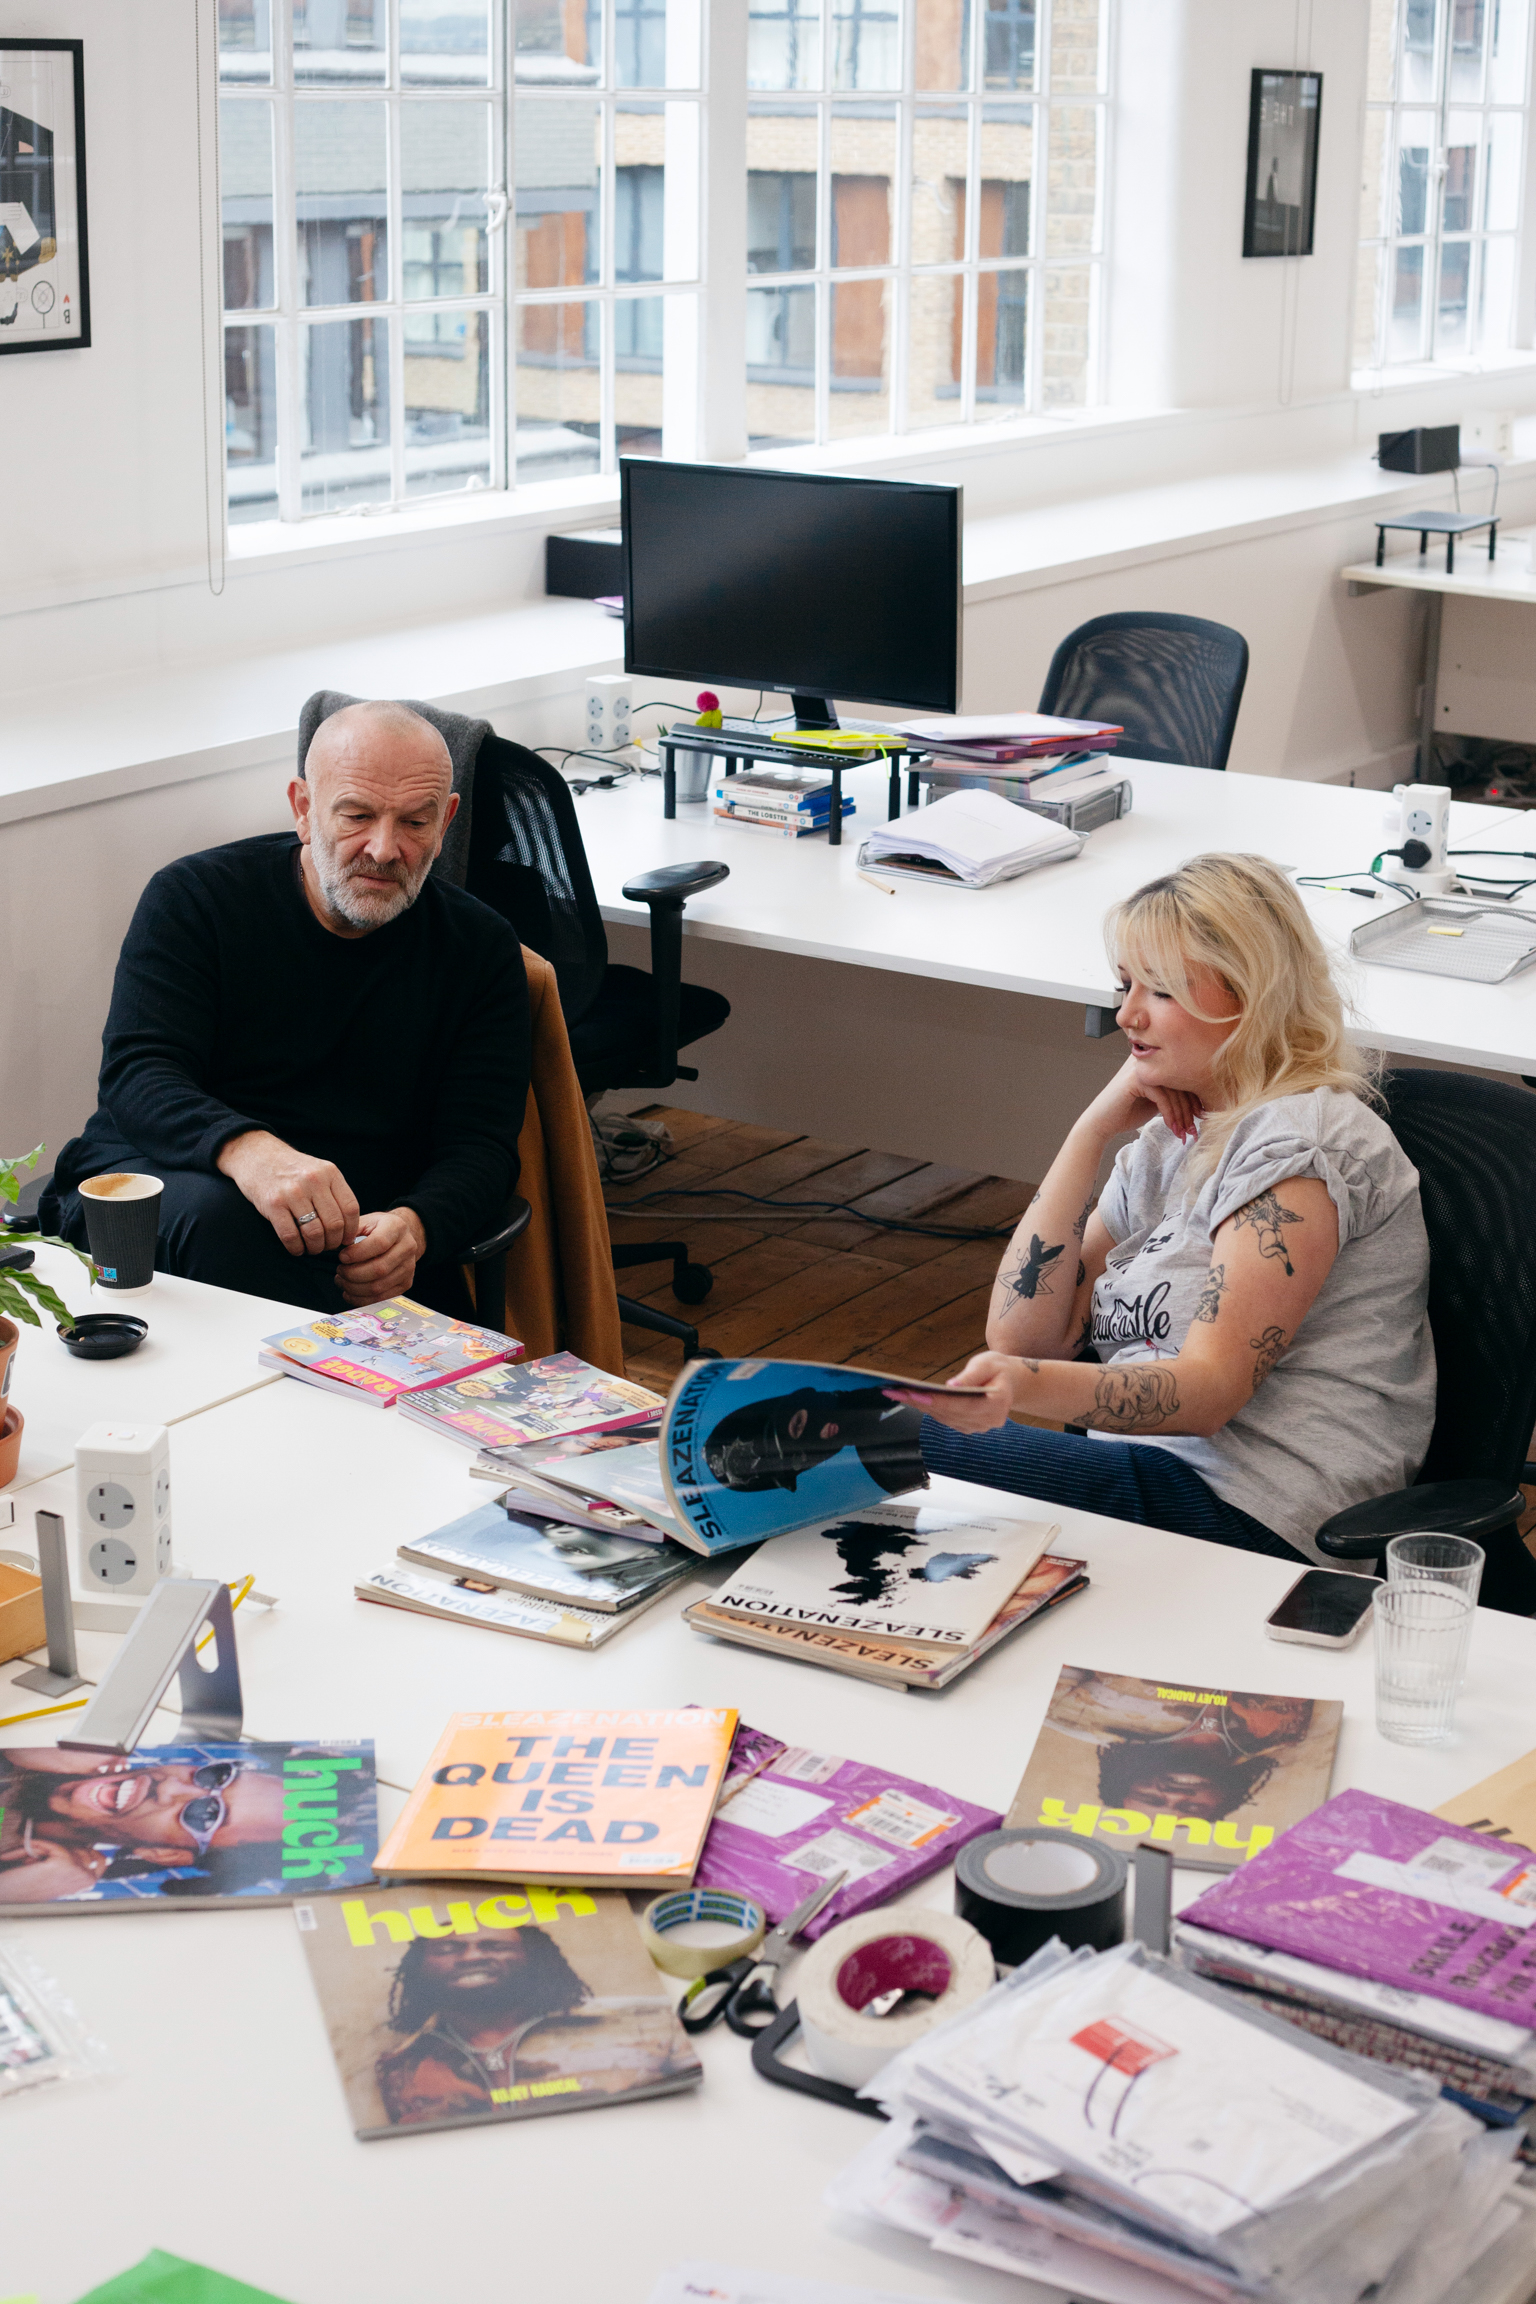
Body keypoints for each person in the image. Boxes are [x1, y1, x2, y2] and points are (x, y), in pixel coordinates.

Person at [907, 853, 1436, 1565]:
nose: (1127, 1014)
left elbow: (1209, 1393)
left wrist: (1024, 1388)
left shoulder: (1304, 1143)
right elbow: (1023, 1335)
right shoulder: (1169, 1143)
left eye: (1159, 990)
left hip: (1255, 1515)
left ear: (1251, 994)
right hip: (1151, 1474)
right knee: (862, 1450)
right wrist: (1088, 1133)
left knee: (866, 1434)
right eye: (1125, 985)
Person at [45, 701, 530, 1315]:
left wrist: (417, 1225)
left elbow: (481, 1144)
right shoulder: (196, 898)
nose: (384, 849)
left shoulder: (479, 947)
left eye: (414, 822)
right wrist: (253, 1153)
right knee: (227, 1226)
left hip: (354, 1230)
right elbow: (138, 1075)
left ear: (447, 821)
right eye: (357, 815)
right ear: (303, 808)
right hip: (172, 1176)